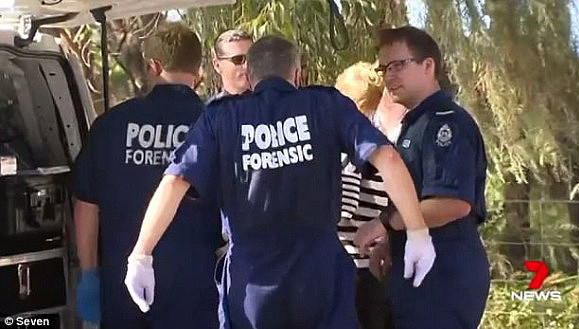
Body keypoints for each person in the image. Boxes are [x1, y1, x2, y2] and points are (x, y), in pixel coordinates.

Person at [124, 35, 436, 329]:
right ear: (298, 74)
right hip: (320, 277)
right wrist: (418, 231)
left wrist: (142, 253)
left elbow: (175, 180)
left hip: (253, 283)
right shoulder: (326, 105)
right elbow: (388, 158)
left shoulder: (221, 117)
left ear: (249, 76)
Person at [73, 22, 221, 329]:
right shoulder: (216, 122)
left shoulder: (109, 125)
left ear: (153, 66)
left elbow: (87, 206)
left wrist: (90, 274)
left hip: (123, 288)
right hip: (197, 290)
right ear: (199, 67)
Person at [355, 26, 490, 329]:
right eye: (384, 68)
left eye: (399, 65)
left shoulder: (446, 124)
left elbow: (451, 203)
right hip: (413, 272)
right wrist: (391, 240)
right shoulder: (415, 124)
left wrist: (385, 223)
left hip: (444, 271)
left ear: (428, 66)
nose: (389, 76)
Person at [335, 62, 402, 329]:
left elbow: (342, 211)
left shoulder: (350, 152)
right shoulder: (383, 148)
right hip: (376, 270)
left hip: (353, 267)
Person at [209, 29, 254, 101]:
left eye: (251, 58)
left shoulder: (272, 106)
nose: (246, 65)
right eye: (238, 59)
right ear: (217, 65)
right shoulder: (210, 110)